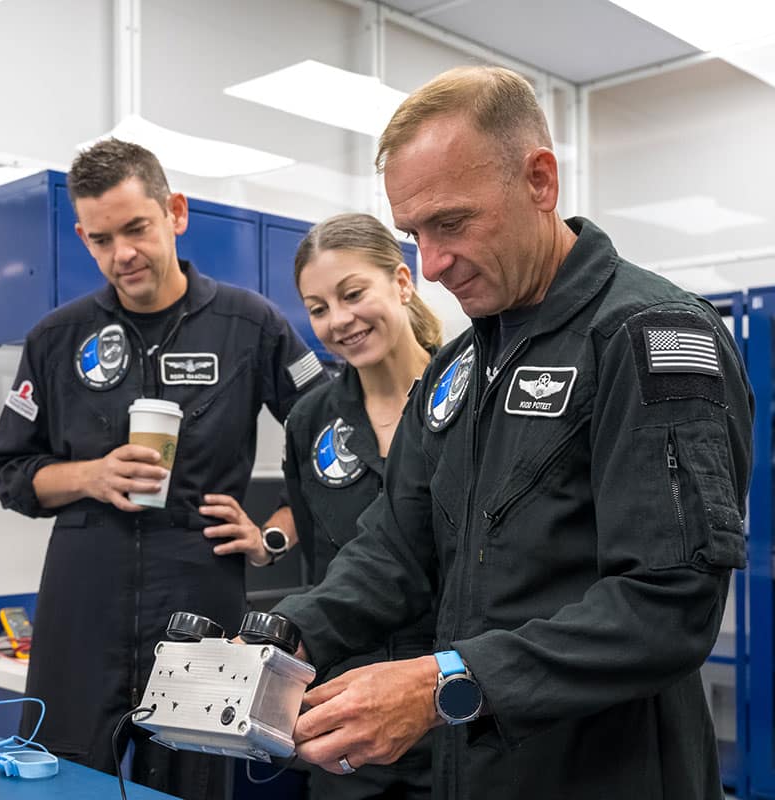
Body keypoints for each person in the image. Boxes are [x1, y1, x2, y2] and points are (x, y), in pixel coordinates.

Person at [272, 66, 753, 799]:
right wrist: (288, 631)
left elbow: (668, 605)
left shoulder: (646, 336)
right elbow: (398, 546)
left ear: (539, 180)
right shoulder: (462, 365)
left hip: (610, 773)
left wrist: (443, 683)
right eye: (414, 235)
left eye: (453, 223)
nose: (430, 266)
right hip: (479, 767)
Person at [0, 138, 326, 799]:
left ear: (175, 211)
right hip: (83, 597)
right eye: (102, 239)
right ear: (83, 237)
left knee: (193, 780)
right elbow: (10, 471)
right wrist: (91, 476)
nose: (123, 255)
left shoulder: (249, 324)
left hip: (200, 590)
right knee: (64, 781)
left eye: (136, 228)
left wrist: (273, 536)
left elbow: (332, 448)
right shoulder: (56, 338)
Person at [282, 212, 441, 799]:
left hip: (450, 705)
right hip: (344, 717)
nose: (339, 321)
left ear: (402, 281)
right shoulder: (310, 421)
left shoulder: (470, 396)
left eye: (353, 294)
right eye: (318, 307)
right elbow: (319, 564)